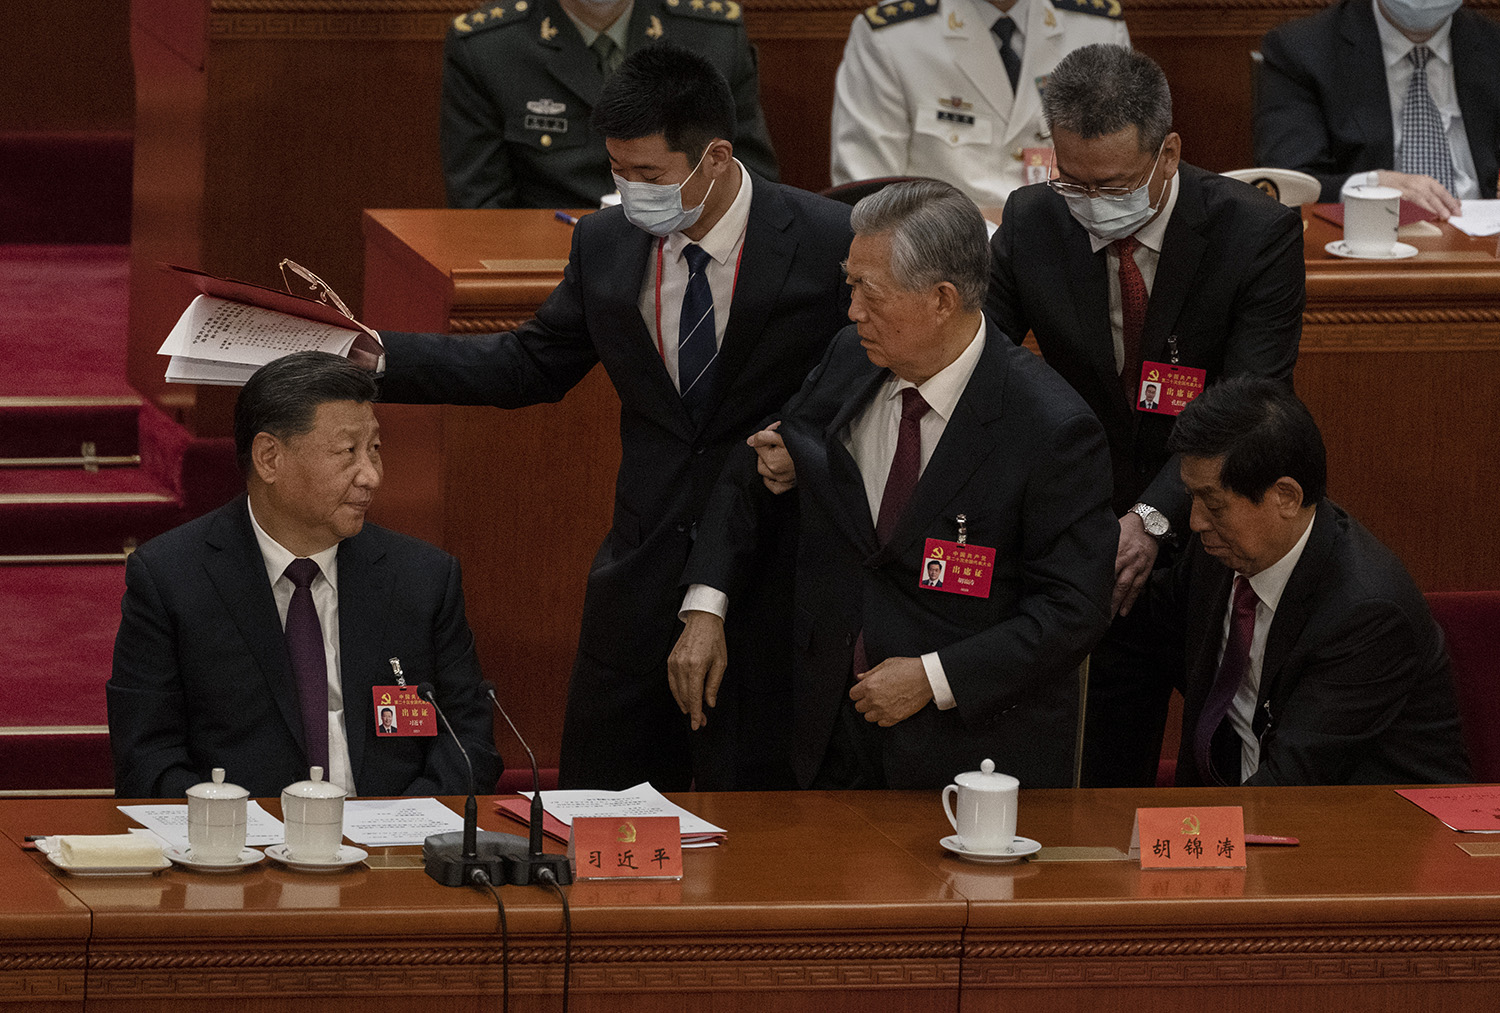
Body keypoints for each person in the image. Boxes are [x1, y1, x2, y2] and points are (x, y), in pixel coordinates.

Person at [369, 45, 854, 791]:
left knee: (756, 832)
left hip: (772, 584)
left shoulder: (828, 241)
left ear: (716, 157)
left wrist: (807, 439)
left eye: (649, 176)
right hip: (639, 578)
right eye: (617, 173)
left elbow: (867, 379)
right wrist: (369, 355)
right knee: (599, 819)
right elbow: (526, 364)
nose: (630, 193)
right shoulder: (605, 243)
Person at [670, 180, 1117, 790]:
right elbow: (760, 461)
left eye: (869, 293)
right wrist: (706, 605)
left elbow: (1073, 610)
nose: (852, 310)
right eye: (849, 284)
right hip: (823, 727)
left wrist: (934, 678)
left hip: (962, 757)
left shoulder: (1051, 429)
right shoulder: (852, 357)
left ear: (941, 299)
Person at [985, 44, 1305, 787]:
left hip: (1209, 536)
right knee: (1094, 773)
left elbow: (1254, 399)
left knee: (1219, 768)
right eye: (1073, 182)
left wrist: (1154, 516)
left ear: (1169, 153)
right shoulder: (1034, 221)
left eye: (1114, 184)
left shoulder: (1254, 233)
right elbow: (983, 363)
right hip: (1086, 540)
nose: (1092, 204)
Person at [108, 352, 501, 800]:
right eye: (347, 451)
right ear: (270, 458)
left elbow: (468, 744)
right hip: (241, 850)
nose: (371, 476)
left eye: (374, 449)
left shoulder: (423, 579)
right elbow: (147, 760)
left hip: (393, 848)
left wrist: (398, 828)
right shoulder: (171, 579)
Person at [1158, 377, 1470, 786]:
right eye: (1191, 497)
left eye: (1213, 504)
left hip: (1376, 833)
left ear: (1286, 496)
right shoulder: (1225, 547)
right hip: (1261, 809)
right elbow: (1144, 626)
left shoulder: (1367, 614)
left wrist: (1196, 836)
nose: (1196, 521)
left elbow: (1295, 783)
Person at [441, 0, 778, 208]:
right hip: (550, 260)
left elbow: (750, 178)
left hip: (684, 248)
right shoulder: (488, 47)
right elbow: (481, 204)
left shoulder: (712, 34)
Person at [830, 0, 1129, 208]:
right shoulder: (891, 37)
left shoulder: (1097, 27)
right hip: (943, 259)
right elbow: (870, 195)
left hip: (1068, 249)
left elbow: (1123, 172)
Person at [1254, 0, 1500, 219]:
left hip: (1485, 243)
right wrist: (1368, 187)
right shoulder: (1301, 50)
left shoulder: (1493, 44)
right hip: (1362, 244)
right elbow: (1286, 180)